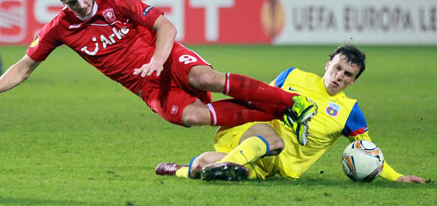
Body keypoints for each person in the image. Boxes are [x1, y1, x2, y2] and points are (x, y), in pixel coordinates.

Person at [0, 0, 317, 145]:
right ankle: (272, 116)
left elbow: (166, 27)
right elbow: (23, 68)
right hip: (145, 87)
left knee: (204, 77)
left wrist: (159, 58)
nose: (84, 5)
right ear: (62, 2)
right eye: (74, 1)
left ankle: (291, 103)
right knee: (192, 117)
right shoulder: (58, 29)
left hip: (166, 57)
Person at [155, 45, 426, 184]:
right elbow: (260, 97)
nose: (339, 77)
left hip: (275, 169)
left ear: (353, 81)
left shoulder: (350, 112)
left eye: (348, 75)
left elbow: (368, 151)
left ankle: (179, 170)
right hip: (253, 134)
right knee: (272, 136)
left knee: (202, 165)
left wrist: (396, 176)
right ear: (328, 64)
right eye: (338, 68)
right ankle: (233, 162)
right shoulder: (293, 76)